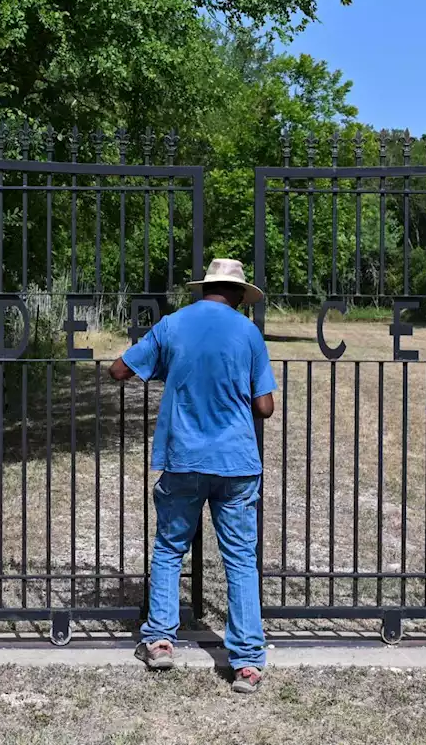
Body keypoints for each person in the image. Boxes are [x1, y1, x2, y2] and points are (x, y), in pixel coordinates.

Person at [108, 258, 276, 694]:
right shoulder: (248, 333)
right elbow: (265, 407)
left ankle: (161, 640)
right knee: (240, 559)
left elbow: (120, 370)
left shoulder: (172, 325)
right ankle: (247, 663)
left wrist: (170, 367)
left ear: (204, 289)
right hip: (236, 462)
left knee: (169, 548)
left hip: (182, 456)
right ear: (240, 295)